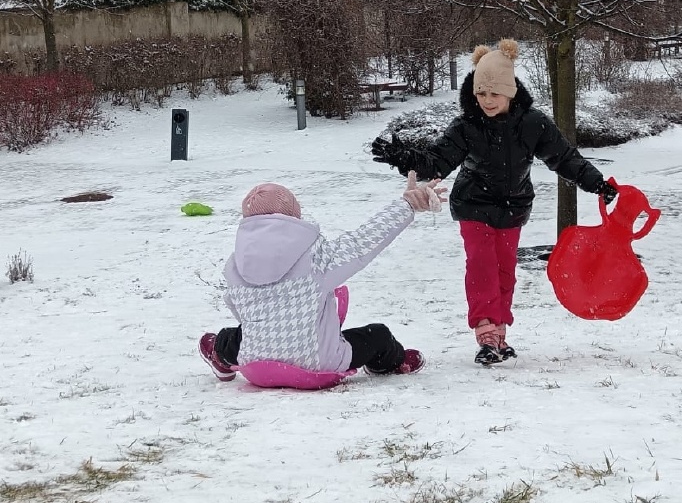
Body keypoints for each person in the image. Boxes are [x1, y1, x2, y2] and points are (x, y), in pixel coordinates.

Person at [370, 39, 618, 366]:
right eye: (481, 93)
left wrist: (596, 183)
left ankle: (499, 335)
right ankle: (485, 330)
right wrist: (404, 158)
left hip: (513, 208)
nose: (487, 101)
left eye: (494, 93)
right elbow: (438, 161)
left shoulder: (533, 124)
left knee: (504, 271)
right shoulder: (467, 126)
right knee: (482, 265)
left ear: (510, 92)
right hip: (473, 204)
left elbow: (563, 157)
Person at [198, 174, 446, 382]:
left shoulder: (236, 264)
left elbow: (235, 305)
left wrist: (270, 328)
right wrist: (407, 205)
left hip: (256, 363)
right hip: (319, 362)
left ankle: (219, 356)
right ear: (293, 216)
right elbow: (362, 243)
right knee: (377, 335)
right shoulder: (316, 258)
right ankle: (391, 362)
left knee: (230, 337)